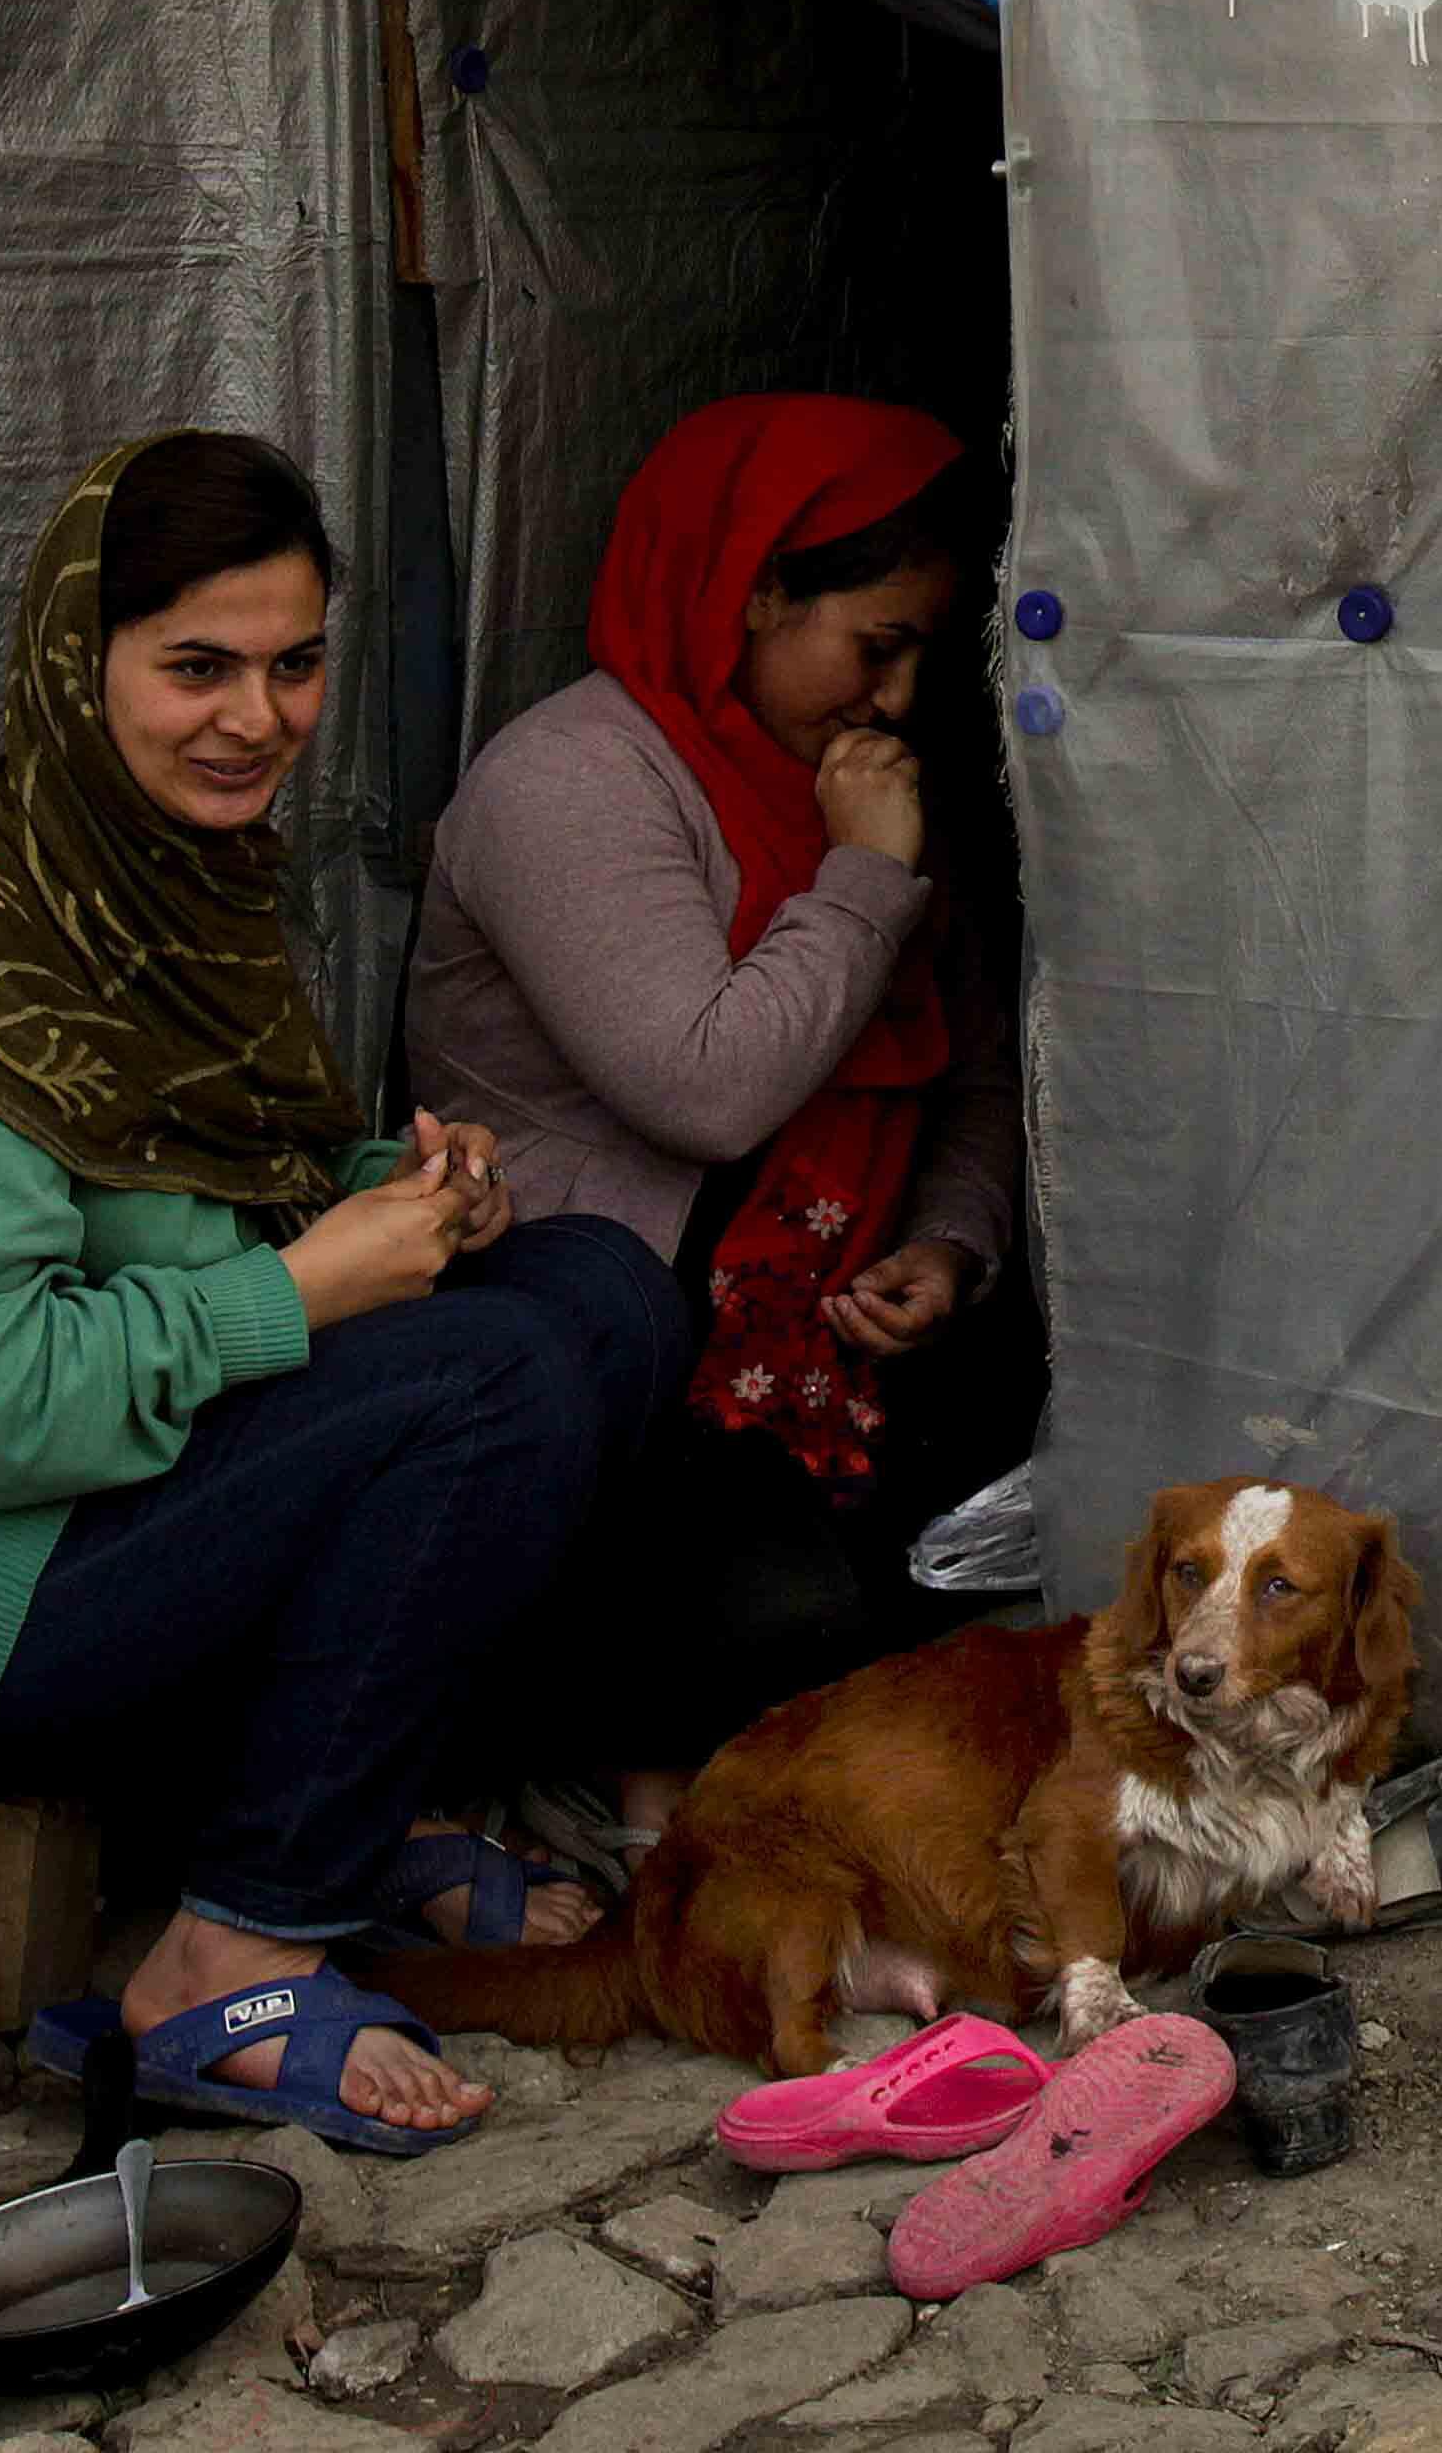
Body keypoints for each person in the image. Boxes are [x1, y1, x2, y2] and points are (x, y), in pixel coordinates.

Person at [0, 431, 687, 2154]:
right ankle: (228, 1947)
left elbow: (186, 1204)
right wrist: (311, 1289)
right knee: (487, 1386)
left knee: (600, 1294)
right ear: (75, 664)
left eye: (293, 665)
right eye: (196, 669)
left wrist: (386, 1205)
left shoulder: (165, 889)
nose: (254, 717)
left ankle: (358, 1811)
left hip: (112, 1506)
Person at [399, 393, 1036, 1844]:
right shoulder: (573, 781)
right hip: (619, 1354)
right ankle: (599, 1794)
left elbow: (980, 1074)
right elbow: (707, 1085)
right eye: (875, 645)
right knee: (790, 1613)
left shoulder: (840, 782)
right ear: (752, 588)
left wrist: (947, 1242)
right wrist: (866, 877)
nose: (895, 698)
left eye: (926, 654)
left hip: (823, 1338)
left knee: (1015, 1540)